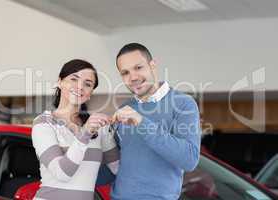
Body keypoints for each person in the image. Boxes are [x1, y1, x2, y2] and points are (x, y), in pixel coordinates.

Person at [111, 43, 201, 200]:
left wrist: (141, 122)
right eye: (125, 73)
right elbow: (116, 163)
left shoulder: (183, 104)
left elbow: (189, 160)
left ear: (152, 65)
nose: (133, 77)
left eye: (138, 68)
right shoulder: (125, 108)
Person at [31, 59, 119, 200]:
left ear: (90, 93)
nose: (80, 87)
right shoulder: (43, 123)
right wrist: (85, 133)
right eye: (74, 79)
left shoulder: (99, 128)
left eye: (87, 84)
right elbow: (62, 173)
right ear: (59, 82)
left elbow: (119, 169)